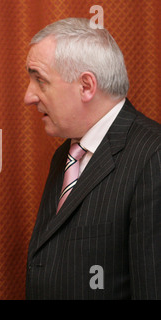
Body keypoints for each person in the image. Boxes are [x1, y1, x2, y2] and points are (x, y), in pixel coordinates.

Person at [24, 18, 160, 299]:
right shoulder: (66, 153)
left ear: (86, 86)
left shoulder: (152, 156)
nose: (29, 96)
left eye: (40, 80)